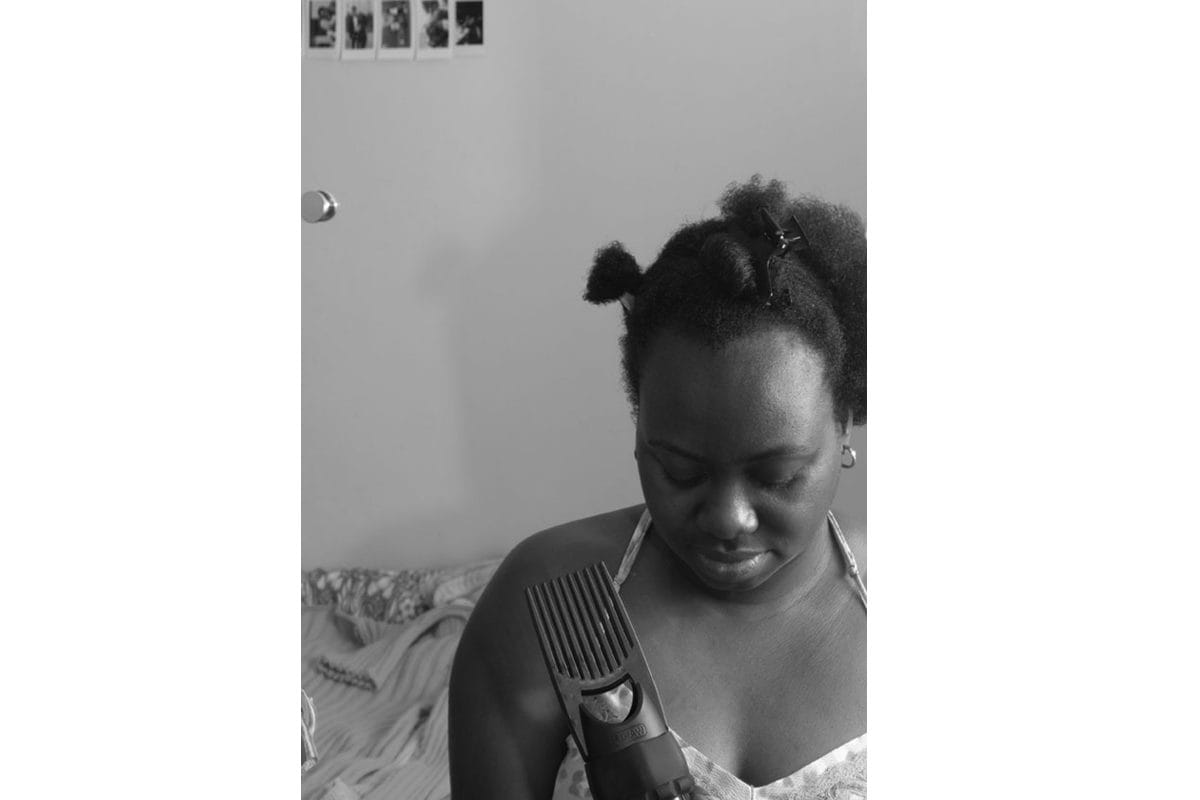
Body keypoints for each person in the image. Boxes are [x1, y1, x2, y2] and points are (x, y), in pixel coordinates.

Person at [448, 176, 868, 799]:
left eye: (775, 475)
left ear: (844, 427)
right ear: (639, 422)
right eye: (680, 470)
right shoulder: (549, 600)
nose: (728, 518)